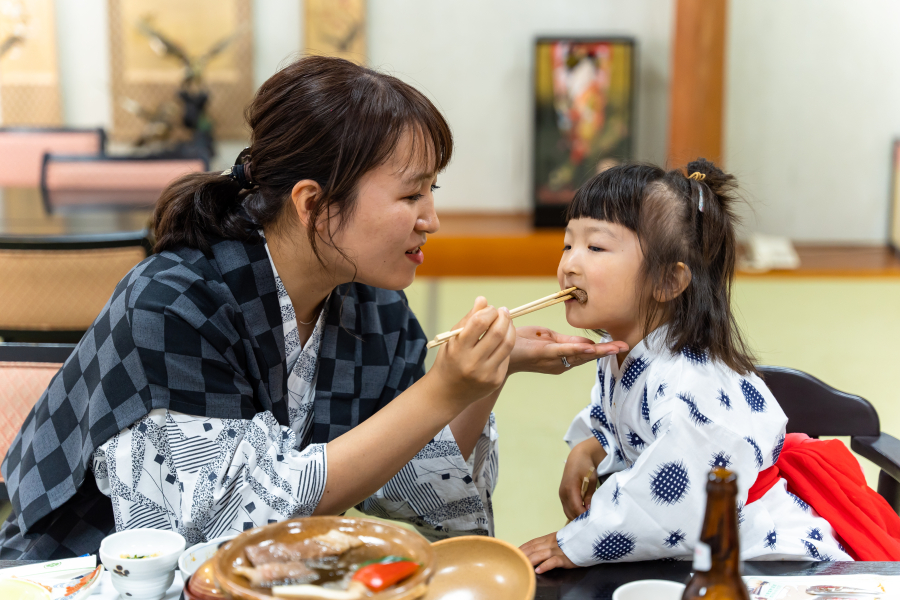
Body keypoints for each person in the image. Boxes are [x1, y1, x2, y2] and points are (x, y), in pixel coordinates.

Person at [0, 56, 626, 559]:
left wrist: (482, 379)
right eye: (411, 194)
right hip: (80, 572)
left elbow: (414, 496)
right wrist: (440, 391)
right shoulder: (173, 301)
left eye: (432, 191)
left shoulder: (373, 307)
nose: (431, 219)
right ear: (312, 204)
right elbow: (219, 529)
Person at [519, 159, 883, 570]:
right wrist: (592, 446)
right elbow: (618, 418)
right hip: (706, 551)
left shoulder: (688, 382)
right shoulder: (621, 350)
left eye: (596, 247)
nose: (569, 264)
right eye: (568, 244)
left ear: (668, 282)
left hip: (767, 558)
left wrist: (575, 543)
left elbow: (673, 499)